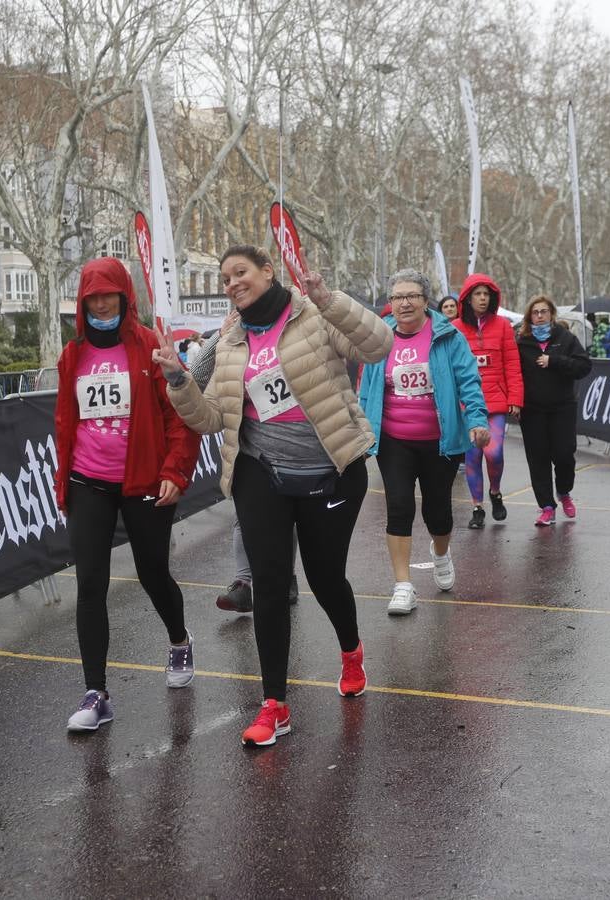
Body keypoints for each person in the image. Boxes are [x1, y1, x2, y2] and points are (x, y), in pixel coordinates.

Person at [157, 245, 391, 747]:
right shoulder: (229, 339)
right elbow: (211, 418)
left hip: (330, 469)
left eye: (240, 272)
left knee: (325, 578)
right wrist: (179, 379)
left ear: (268, 271)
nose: (231, 283)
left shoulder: (312, 315)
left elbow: (377, 346)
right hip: (260, 473)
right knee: (268, 582)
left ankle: (351, 651)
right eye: (224, 278)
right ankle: (274, 705)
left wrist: (330, 299)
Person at [53, 256, 201, 733]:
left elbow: (179, 414)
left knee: (152, 571)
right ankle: (95, 692)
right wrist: (63, 484)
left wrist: (176, 470)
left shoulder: (147, 347)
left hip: (142, 478)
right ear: (82, 302)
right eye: (92, 297)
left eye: (109, 295)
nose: (101, 304)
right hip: (87, 480)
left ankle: (179, 639)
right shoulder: (72, 355)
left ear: (124, 297)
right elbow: (64, 423)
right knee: (90, 584)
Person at [358, 269, 489, 615]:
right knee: (399, 506)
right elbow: (366, 390)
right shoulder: (380, 338)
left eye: (412, 296)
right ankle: (403, 586)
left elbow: (469, 383)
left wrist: (476, 420)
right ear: (391, 303)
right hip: (394, 440)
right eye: (397, 297)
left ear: (424, 300)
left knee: (437, 511)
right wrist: (360, 430)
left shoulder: (448, 336)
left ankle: (441, 553)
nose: (404, 303)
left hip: (440, 441)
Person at [188, 323, 301, 614]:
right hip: (248, 448)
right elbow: (197, 380)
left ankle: (286, 576)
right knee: (244, 517)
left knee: (286, 519)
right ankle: (243, 584)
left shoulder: (293, 326)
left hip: (292, 445)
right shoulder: (232, 335)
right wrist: (217, 339)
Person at [452, 273, 523, 529]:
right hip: (467, 405)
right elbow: (451, 369)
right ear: (468, 298)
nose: (482, 299)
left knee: (494, 453)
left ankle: (495, 492)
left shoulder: (503, 326)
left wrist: (515, 398)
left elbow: (513, 365)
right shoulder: (456, 328)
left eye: (486, 294)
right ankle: (477, 507)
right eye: (478, 294)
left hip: (496, 402)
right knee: (472, 457)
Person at [516, 295, 592, 526]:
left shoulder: (565, 338)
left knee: (564, 455)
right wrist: (515, 402)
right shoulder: (522, 343)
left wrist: (555, 361)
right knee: (537, 458)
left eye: (544, 311)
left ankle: (564, 491)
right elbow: (514, 374)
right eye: (535, 312)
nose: (539, 316)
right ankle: (547, 506)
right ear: (530, 317)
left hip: (562, 408)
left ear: (552, 315)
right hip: (532, 410)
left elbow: (583, 366)